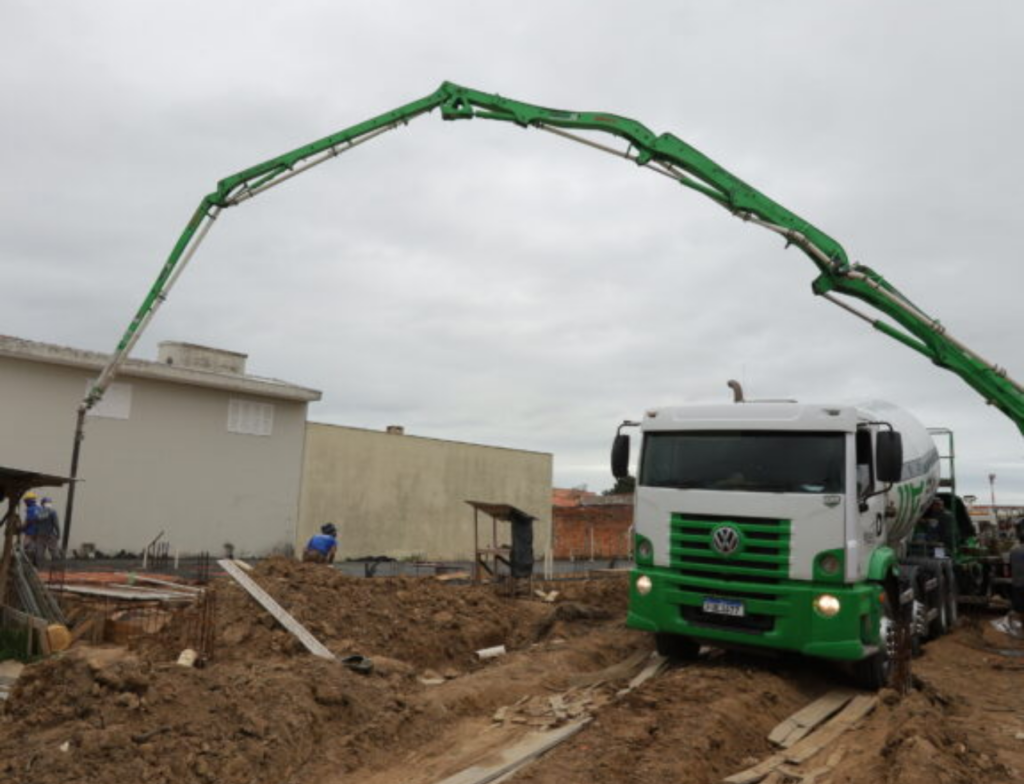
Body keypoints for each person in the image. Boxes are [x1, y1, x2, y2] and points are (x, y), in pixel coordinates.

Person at [34, 497, 62, 563]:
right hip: (50, 535)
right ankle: (55, 568)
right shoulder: (52, 512)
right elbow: (56, 524)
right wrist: (58, 534)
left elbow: (36, 525)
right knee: (54, 552)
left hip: (40, 535)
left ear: (42, 504)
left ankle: (39, 568)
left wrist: (35, 534)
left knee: (39, 553)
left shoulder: (38, 513)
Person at [21, 493, 41, 564]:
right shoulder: (40, 508)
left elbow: (29, 520)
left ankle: (27, 563)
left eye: (26, 501)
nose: (25, 503)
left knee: (26, 546)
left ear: (29, 501)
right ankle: (35, 563)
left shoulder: (30, 509)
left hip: (30, 532)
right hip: (39, 532)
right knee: (36, 547)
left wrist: (22, 528)